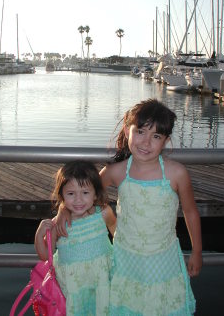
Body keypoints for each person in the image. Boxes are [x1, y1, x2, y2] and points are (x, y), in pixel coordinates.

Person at [57, 98, 202, 315]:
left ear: (166, 141)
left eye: (156, 136)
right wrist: (62, 210)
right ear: (127, 131)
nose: (146, 143)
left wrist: (197, 251)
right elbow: (85, 191)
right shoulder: (118, 171)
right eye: (141, 132)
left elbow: (190, 212)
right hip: (126, 257)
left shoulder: (176, 173)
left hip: (163, 257)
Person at [35, 160, 116, 316]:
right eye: (71, 194)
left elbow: (116, 232)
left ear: (95, 194)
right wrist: (40, 234)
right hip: (73, 288)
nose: (78, 200)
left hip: (102, 281)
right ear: (62, 196)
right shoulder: (59, 225)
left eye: (85, 193)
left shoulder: (104, 213)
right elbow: (46, 255)